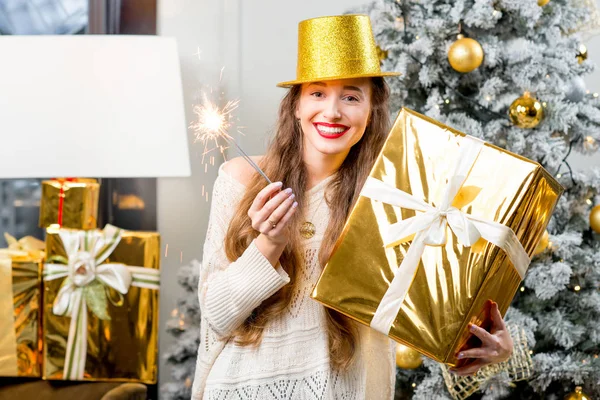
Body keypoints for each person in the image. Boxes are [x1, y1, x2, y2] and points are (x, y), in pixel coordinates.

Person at [191, 14, 514, 400]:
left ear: (371, 109)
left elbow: (430, 315)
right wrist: (269, 244)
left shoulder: (399, 198)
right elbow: (217, 315)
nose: (332, 112)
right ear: (295, 106)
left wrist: (485, 347)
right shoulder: (241, 179)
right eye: (317, 93)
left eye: (350, 96)